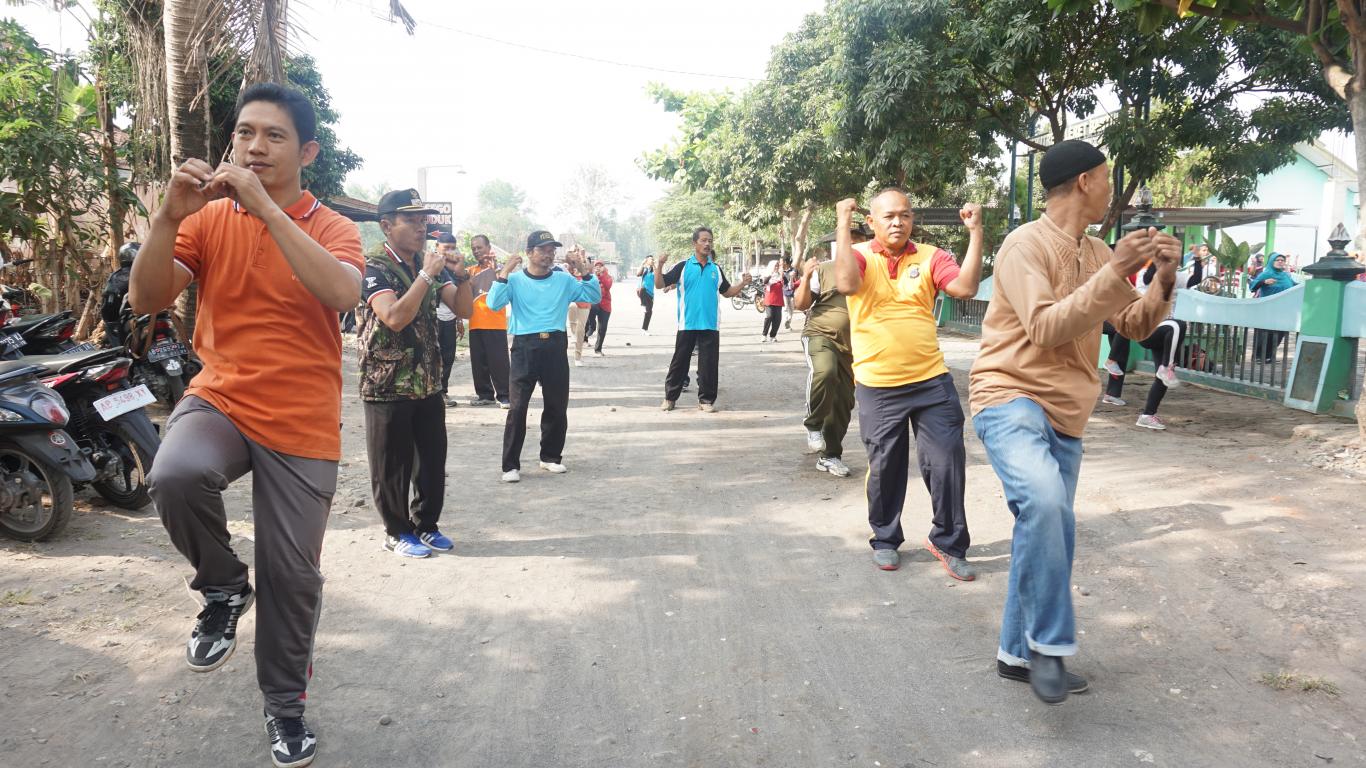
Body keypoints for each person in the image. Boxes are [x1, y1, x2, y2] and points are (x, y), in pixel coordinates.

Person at [134, 82, 364, 768]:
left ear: (307, 151)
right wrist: (167, 220)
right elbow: (148, 298)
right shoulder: (206, 221)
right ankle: (224, 586)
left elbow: (344, 293)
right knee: (174, 474)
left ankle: (284, 707)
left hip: (301, 418)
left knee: (293, 576)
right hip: (224, 397)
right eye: (244, 133)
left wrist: (264, 209)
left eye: (274, 136)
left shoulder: (332, 226)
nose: (254, 146)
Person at [969, 139, 1180, 704]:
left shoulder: (1094, 251)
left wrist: (1161, 277)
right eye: (1107, 178)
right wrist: (1115, 269)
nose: (1112, 190)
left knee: (1042, 527)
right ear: (1085, 181)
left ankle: (1016, 652)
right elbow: (1044, 327)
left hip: (1067, 412)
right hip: (1009, 395)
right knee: (1046, 505)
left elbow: (1133, 325)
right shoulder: (1024, 245)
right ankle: (1050, 646)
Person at [831, 191, 985, 580]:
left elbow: (964, 289)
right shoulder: (862, 254)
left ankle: (948, 542)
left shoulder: (932, 256)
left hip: (931, 380)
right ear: (872, 221)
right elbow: (847, 284)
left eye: (904, 216)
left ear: (913, 219)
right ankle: (885, 538)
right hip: (878, 384)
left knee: (947, 461)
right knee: (885, 466)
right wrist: (842, 224)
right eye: (888, 217)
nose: (897, 222)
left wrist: (975, 232)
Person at [358, 188, 472, 560]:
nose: (421, 227)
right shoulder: (374, 265)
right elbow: (393, 317)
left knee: (431, 459)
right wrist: (427, 273)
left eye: (424, 220)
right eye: (412, 220)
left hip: (425, 378)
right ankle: (397, 530)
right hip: (387, 381)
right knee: (392, 463)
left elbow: (463, 308)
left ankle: (426, 525)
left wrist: (462, 274)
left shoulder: (424, 263)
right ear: (387, 225)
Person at [487, 231, 599, 483]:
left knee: (556, 405)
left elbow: (593, 297)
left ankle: (550, 456)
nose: (549, 254)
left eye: (552, 250)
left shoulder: (563, 280)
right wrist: (504, 272)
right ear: (529, 253)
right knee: (517, 407)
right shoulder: (515, 280)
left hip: (555, 345)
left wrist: (585, 272)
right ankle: (510, 465)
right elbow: (494, 304)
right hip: (525, 346)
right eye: (543, 249)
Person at [791, 223, 870, 478]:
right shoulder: (824, 270)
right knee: (825, 372)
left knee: (843, 402)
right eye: (850, 240)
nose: (855, 245)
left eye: (859, 240)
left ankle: (830, 456)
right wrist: (805, 276)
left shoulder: (873, 271)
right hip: (820, 334)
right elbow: (801, 304)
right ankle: (812, 424)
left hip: (854, 345)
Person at [657, 227, 752, 412]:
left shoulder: (716, 269)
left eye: (710, 240)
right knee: (679, 362)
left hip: (710, 324)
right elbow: (660, 284)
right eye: (703, 240)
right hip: (688, 323)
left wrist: (742, 284)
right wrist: (659, 265)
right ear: (695, 243)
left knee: (709, 364)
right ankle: (670, 398)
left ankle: (706, 401)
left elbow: (727, 292)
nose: (707, 244)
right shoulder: (682, 267)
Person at [466, 234, 511, 408]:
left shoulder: (500, 269)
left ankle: (505, 395)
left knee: (498, 361)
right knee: (479, 362)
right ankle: (485, 394)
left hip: (495, 322)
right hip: (475, 322)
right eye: (474, 249)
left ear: (488, 247)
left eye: (480, 247)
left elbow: (507, 285)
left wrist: (497, 270)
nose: (477, 251)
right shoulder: (470, 271)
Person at [433, 233, 464, 408]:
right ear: (437, 247)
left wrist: (459, 320)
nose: (450, 251)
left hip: (450, 317)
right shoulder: (431, 264)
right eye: (446, 248)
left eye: (453, 247)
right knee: (434, 355)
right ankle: (435, 392)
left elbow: (459, 296)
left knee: (448, 355)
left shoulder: (455, 267)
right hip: (435, 317)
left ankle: (443, 391)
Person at [1250, 252, 1295, 362]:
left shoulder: (1285, 276)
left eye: (1282, 260)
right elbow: (1252, 286)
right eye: (1278, 260)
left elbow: (1294, 285)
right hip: (1268, 309)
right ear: (1271, 262)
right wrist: (1264, 282)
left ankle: (1269, 356)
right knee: (1265, 333)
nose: (1280, 262)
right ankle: (1259, 356)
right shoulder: (1266, 274)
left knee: (1279, 333)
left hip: (1283, 309)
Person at [101, 242, 138, 346]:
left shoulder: (117, 276)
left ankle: (121, 351)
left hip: (129, 319)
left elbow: (108, 306)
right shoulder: (150, 272)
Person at [565, 246, 592, 367]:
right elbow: (567, 268)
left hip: (585, 302)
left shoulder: (586, 263)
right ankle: (572, 331)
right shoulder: (569, 266)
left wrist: (582, 259)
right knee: (571, 306)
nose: (577, 253)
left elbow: (590, 273)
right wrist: (571, 258)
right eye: (574, 252)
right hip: (572, 299)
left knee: (581, 331)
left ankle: (578, 356)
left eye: (579, 252)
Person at [583, 259, 613, 356]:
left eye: (601, 266)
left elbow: (608, 286)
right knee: (591, 310)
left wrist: (602, 275)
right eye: (597, 266)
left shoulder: (608, 277)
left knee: (603, 328)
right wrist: (595, 275)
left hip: (606, 305)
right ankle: (592, 326)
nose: (598, 267)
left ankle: (598, 349)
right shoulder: (591, 276)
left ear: (604, 267)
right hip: (594, 302)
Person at [761, 261, 785, 342]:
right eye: (775, 266)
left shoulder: (780, 275)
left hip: (778, 300)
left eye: (778, 266)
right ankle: (764, 335)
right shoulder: (768, 274)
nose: (777, 267)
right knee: (769, 316)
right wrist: (771, 274)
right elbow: (764, 282)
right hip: (769, 299)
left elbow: (786, 283)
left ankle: (773, 336)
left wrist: (782, 275)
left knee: (778, 319)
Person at [637, 256, 656, 334]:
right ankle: (643, 305)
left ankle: (644, 329)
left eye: (652, 259)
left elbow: (657, 274)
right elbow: (638, 274)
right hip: (642, 290)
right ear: (647, 260)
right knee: (642, 289)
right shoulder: (644, 269)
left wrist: (654, 265)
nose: (652, 260)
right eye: (650, 259)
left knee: (649, 312)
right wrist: (643, 263)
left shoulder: (653, 270)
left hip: (650, 293)